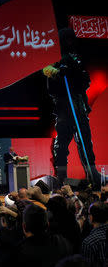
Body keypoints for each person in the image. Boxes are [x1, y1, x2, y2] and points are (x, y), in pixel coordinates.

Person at [42, 27, 104, 189]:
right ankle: (61, 177)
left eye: (72, 39)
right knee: (61, 144)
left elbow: (85, 81)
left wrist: (78, 76)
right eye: (67, 39)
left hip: (79, 108)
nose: (70, 42)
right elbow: (48, 78)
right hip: (64, 109)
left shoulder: (76, 59)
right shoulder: (55, 59)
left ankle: (93, 174)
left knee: (85, 142)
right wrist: (59, 74)